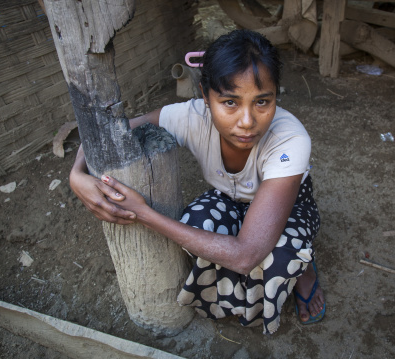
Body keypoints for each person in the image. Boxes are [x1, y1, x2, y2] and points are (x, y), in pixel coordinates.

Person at [69, 29, 325, 334]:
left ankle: (305, 270)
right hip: (231, 198)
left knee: (277, 257)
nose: (247, 121)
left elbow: (246, 255)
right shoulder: (190, 116)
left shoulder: (290, 138)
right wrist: (76, 174)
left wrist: (145, 215)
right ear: (205, 95)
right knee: (196, 223)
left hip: (287, 204)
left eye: (262, 102)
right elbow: (110, 132)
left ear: (275, 96)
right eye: (230, 102)